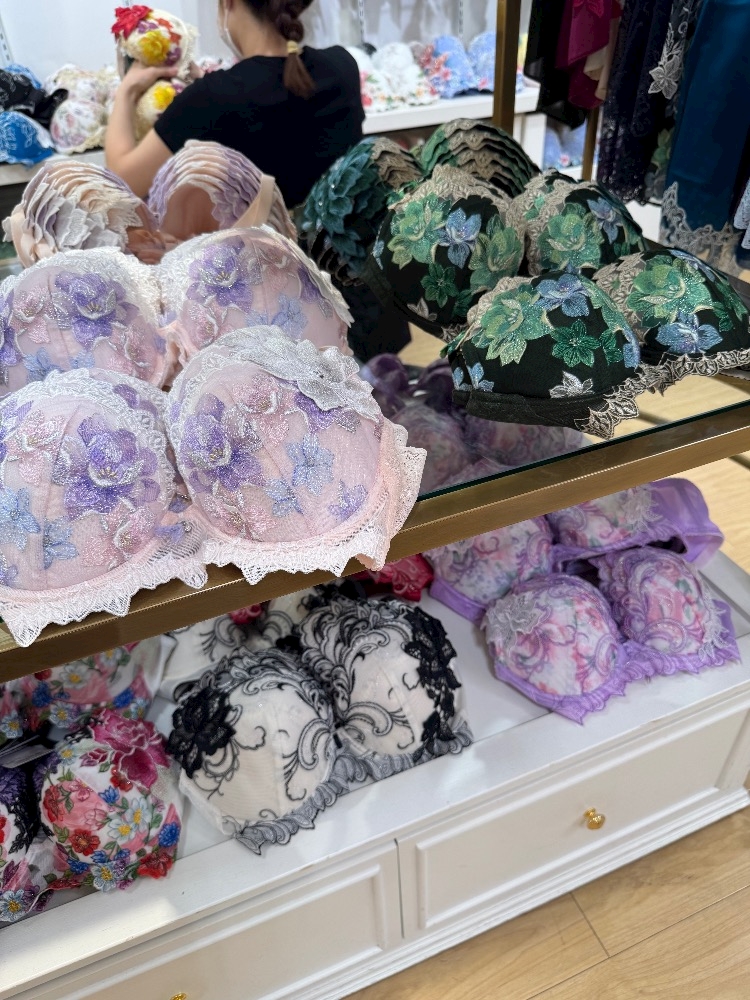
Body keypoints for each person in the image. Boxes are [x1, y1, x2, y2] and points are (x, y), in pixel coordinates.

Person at [105, 0, 364, 206]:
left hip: (260, 256)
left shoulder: (211, 98)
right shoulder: (343, 67)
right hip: (337, 252)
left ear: (229, 3)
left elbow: (124, 180)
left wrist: (127, 90)